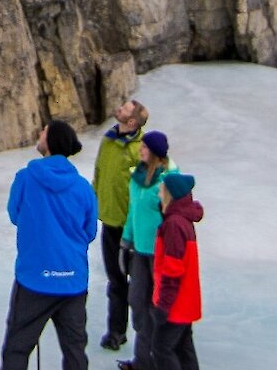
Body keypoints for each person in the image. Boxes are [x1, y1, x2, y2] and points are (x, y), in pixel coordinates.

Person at [2, 119, 100, 370]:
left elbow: (15, 214)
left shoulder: (25, 178)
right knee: (75, 350)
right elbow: (89, 231)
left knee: (17, 347)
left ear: (51, 141)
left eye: (44, 131)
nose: (39, 133)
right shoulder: (83, 188)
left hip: (34, 279)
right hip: (72, 280)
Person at [90, 99, 147, 352]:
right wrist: (92, 206)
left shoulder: (139, 150)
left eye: (124, 108)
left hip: (131, 229)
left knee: (139, 284)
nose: (119, 108)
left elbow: (144, 190)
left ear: (132, 121)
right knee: (115, 281)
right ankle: (116, 332)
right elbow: (99, 174)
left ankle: (147, 335)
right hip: (109, 223)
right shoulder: (108, 140)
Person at [118, 131, 176, 370]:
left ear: (154, 151)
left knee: (157, 307)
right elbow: (133, 213)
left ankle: (157, 359)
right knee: (137, 301)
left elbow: (173, 218)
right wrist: (125, 242)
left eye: (144, 146)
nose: (140, 149)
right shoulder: (136, 178)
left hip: (159, 254)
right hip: (140, 252)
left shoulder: (168, 179)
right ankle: (142, 360)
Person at [150, 172, 204, 370]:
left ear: (170, 194)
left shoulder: (174, 224)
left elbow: (173, 269)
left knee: (161, 349)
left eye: (162, 189)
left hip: (176, 305)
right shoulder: (181, 220)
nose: (158, 193)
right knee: (183, 348)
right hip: (186, 303)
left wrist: (164, 306)